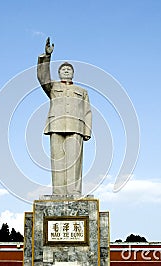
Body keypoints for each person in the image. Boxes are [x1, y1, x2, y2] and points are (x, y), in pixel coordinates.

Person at [37, 37, 92, 195]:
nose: (66, 71)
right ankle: (58, 192)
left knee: (74, 162)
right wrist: (46, 58)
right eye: (63, 69)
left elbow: (87, 110)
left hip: (76, 127)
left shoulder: (82, 91)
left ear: (73, 73)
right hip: (56, 125)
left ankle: (74, 191)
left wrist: (87, 131)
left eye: (69, 69)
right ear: (59, 73)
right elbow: (42, 78)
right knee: (58, 161)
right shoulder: (53, 86)